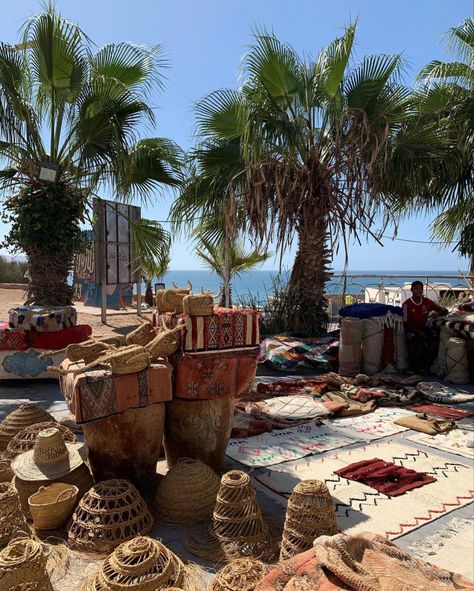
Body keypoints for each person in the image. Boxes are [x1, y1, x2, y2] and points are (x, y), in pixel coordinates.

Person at [402, 281, 448, 372]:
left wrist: (438, 313)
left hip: (424, 328)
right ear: (411, 290)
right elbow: (406, 323)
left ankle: (424, 365)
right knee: (413, 342)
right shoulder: (406, 304)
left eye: (420, 288)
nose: (419, 290)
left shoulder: (427, 302)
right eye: (416, 288)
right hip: (411, 330)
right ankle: (412, 367)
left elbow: (444, 310)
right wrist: (419, 332)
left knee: (435, 339)